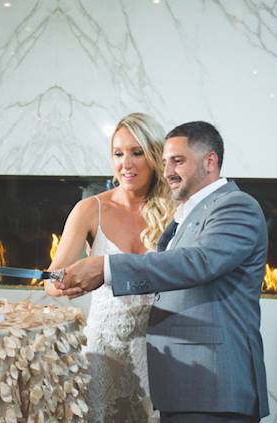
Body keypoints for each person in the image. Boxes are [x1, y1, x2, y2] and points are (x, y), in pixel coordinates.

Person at [55, 121, 270, 423]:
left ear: (210, 161)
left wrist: (106, 267)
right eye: (166, 161)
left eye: (178, 161)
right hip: (178, 381)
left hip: (212, 386)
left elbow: (197, 262)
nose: (168, 171)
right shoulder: (188, 212)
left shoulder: (236, 206)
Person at [45, 112, 174, 422]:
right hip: (104, 347)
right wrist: (64, 283)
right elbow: (51, 278)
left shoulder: (175, 209)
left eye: (136, 152)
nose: (125, 164)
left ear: (155, 154)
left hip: (161, 346)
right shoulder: (90, 209)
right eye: (118, 154)